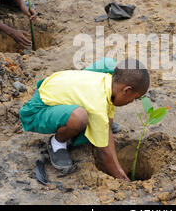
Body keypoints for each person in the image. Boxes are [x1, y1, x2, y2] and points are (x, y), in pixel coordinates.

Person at [19, 58, 150, 181]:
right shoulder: (97, 104)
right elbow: (104, 151)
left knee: (107, 63)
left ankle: (94, 125)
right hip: (37, 110)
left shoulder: (108, 80)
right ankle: (57, 143)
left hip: (56, 87)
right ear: (126, 90)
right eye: (135, 97)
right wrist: (119, 176)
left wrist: (105, 128)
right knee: (79, 118)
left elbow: (107, 128)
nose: (132, 101)